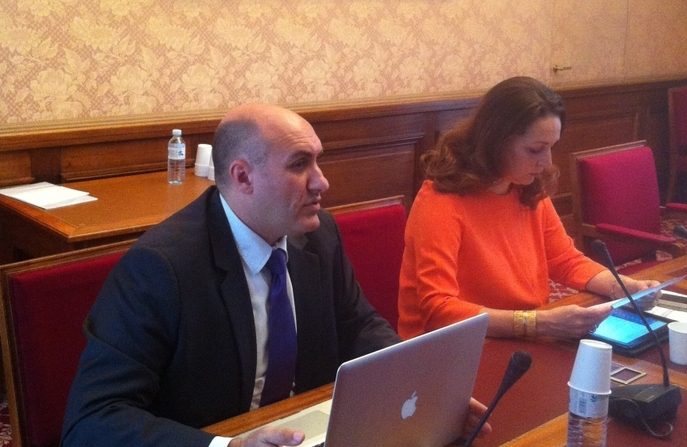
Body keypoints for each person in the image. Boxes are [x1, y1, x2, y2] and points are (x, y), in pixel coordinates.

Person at [62, 103, 490, 446]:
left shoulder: (320, 237)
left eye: (318, 161)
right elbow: (94, 419)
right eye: (300, 164)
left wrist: (422, 383)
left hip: (305, 430)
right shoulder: (161, 268)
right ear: (243, 176)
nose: (322, 182)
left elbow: (357, 324)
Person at [398, 77, 659, 340]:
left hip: (522, 333)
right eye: (535, 150)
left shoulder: (526, 186)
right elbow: (439, 309)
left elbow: (564, 260)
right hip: (451, 347)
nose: (546, 163)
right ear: (495, 142)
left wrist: (622, 287)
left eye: (551, 148)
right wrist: (535, 324)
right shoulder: (440, 201)